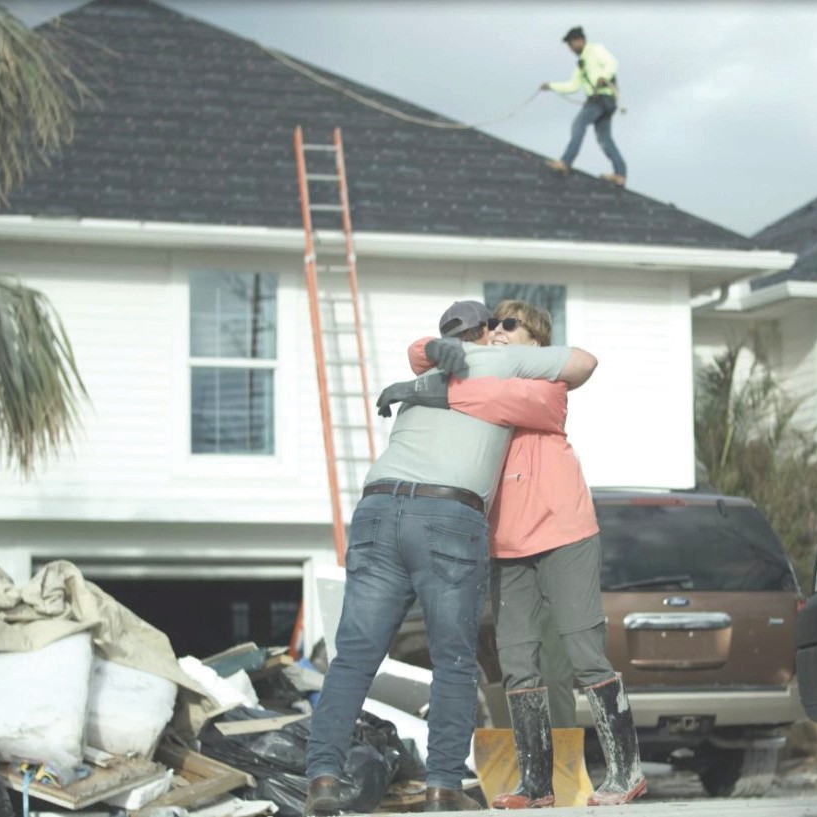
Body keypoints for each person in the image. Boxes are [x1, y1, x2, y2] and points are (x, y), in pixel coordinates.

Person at [303, 300, 597, 816]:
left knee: (353, 656)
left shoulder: (428, 379)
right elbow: (582, 364)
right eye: (499, 326)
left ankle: (323, 777)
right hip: (445, 511)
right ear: (484, 334)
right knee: (454, 662)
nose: (504, 334)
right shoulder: (497, 360)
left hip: (377, 505)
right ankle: (441, 785)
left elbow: (418, 352)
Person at [386, 300, 646, 808]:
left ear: (536, 342)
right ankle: (536, 784)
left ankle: (626, 770)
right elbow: (418, 354)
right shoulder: (492, 377)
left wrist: (433, 391)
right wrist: (438, 366)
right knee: (516, 658)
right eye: (492, 326)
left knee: (582, 648)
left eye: (510, 325)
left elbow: (477, 395)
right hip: (505, 539)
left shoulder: (546, 389)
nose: (497, 332)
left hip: (564, 529)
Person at [542, 26, 627, 187]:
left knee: (579, 123)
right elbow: (573, 85)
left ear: (579, 40)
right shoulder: (581, 63)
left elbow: (611, 63)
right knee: (604, 138)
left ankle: (566, 161)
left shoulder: (596, 50)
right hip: (603, 101)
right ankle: (620, 174)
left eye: (570, 45)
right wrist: (551, 86)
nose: (570, 49)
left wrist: (603, 76)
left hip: (602, 98)